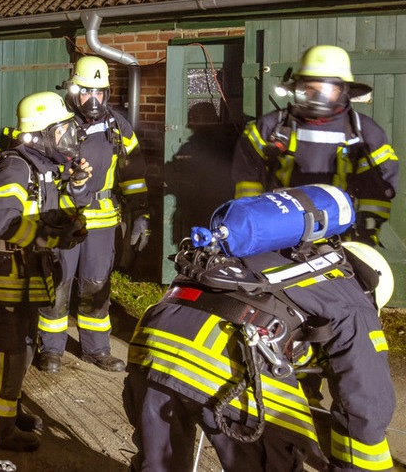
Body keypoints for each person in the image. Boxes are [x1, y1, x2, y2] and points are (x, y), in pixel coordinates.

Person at [123, 186, 395, 472]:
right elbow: (367, 401)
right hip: (222, 361)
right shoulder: (355, 303)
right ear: (373, 293)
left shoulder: (289, 257)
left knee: (158, 466)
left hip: (154, 338)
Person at [0, 91, 94, 451]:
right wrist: (46, 237)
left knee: (19, 349)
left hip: (21, 275)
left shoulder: (41, 167)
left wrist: (68, 210)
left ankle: (5, 410)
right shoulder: (16, 167)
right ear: (39, 135)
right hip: (4, 275)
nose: (66, 138)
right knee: (6, 353)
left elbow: (42, 209)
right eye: (59, 132)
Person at [35, 56, 150, 373]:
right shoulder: (54, 121)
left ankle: (96, 349)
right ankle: (51, 350)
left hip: (101, 222)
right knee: (58, 284)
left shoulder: (117, 126)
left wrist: (140, 212)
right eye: (87, 92)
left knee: (96, 285)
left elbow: (134, 172)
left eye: (101, 93)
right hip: (62, 218)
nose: (95, 100)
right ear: (73, 90)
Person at [232, 44, 398, 243]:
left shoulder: (366, 133)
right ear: (297, 89)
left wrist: (365, 233)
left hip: (341, 234)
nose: (319, 97)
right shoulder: (268, 128)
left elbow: (377, 189)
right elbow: (247, 180)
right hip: (278, 231)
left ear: (344, 91)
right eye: (310, 89)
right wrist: (254, 222)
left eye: (328, 90)